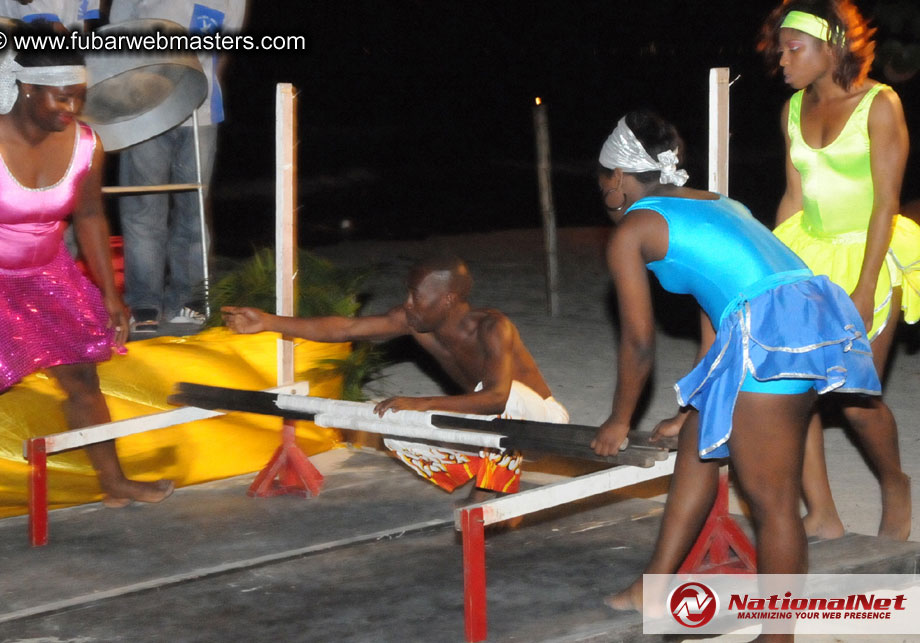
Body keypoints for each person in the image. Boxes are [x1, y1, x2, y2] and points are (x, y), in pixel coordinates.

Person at [589, 112, 881, 636]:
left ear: (617, 179)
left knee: (772, 503)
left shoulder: (634, 229)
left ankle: (777, 635)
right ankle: (653, 587)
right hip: (800, 310)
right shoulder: (716, 201)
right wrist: (694, 405)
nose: (602, 193)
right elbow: (718, 306)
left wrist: (618, 420)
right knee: (700, 441)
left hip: (771, 334)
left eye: (602, 181)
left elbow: (637, 344)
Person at [0, 34, 173, 506]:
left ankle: (113, 482)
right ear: (28, 89)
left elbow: (90, 216)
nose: (71, 107)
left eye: (79, 95)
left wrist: (112, 295)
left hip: (46, 273)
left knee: (83, 379)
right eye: (61, 96)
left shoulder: (87, 144)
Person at [758, 0, 917, 540]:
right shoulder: (792, 111)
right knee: (793, 389)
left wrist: (866, 285)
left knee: (854, 397)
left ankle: (895, 482)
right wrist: (777, 273)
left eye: (793, 48)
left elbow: (885, 203)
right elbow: (793, 198)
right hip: (810, 249)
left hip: (870, 251)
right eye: (779, 48)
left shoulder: (879, 104)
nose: (781, 59)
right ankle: (824, 513)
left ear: (832, 47)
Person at [223, 256, 569, 499]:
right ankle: (482, 472)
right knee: (393, 421)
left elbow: (496, 397)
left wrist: (422, 403)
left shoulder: (493, 327)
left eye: (416, 296)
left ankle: (493, 489)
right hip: (485, 424)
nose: (407, 303)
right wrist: (268, 321)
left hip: (538, 421)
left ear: (447, 299)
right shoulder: (415, 322)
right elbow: (345, 328)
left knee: (494, 396)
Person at [110, 0, 247, 333]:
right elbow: (116, 38)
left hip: (199, 114)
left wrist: (198, 89)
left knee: (193, 210)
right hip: (144, 113)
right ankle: (145, 303)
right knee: (143, 209)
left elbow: (225, 48)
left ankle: (190, 299)